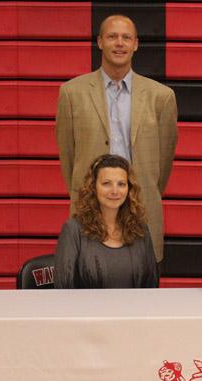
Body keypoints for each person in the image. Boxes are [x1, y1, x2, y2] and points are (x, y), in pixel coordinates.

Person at [56, 14, 178, 262]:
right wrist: (90, 189)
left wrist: (141, 188)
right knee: (88, 284)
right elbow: (68, 157)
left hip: (141, 205)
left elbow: (163, 163)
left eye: (126, 37)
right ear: (100, 42)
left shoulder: (161, 97)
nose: (119, 43)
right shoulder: (72, 93)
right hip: (89, 206)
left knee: (141, 290)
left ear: (136, 44)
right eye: (112, 36)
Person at [55, 154, 158, 288]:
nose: (115, 191)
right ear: (93, 187)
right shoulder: (73, 230)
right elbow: (64, 287)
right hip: (85, 309)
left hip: (134, 309)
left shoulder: (141, 230)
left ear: (129, 189)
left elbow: (151, 286)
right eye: (106, 183)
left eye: (121, 184)